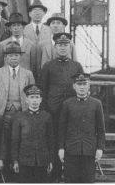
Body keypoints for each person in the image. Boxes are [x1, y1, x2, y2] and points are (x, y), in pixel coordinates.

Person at [39, 32, 84, 181]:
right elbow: (42, 90)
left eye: (66, 45)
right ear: (55, 47)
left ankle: (70, 174)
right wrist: (45, 110)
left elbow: (82, 87)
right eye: (60, 45)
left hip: (72, 112)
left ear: (70, 47)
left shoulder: (76, 66)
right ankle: (55, 175)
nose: (63, 48)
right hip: (53, 112)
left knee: (70, 141)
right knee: (55, 141)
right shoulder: (48, 66)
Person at [0, 42, 34, 182]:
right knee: (4, 141)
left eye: (16, 55)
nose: (13, 58)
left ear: (20, 57)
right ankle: (4, 174)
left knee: (19, 142)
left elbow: (33, 93)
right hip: (3, 114)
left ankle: (19, 173)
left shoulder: (28, 73)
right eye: (10, 55)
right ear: (6, 57)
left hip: (22, 114)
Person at [58, 73, 105, 183]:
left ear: (89, 85)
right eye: (79, 84)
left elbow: (101, 130)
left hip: (89, 152)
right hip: (71, 151)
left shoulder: (96, 104)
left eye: (84, 84)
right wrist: (61, 148)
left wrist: (100, 149)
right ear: (74, 86)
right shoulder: (67, 104)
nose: (82, 87)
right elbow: (62, 129)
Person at [11, 84, 54, 183]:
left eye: (37, 97)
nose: (34, 100)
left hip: (42, 161)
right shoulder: (19, 117)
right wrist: (15, 161)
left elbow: (51, 141)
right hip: (24, 161)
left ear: (41, 99)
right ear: (26, 100)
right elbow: (15, 141)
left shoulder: (47, 117)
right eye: (32, 97)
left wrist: (51, 161)